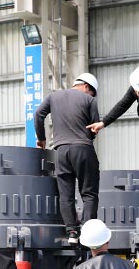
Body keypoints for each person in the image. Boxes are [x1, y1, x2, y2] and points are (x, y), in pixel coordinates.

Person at [35, 73, 101, 244]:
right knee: (89, 193)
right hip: (83, 149)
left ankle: (72, 232)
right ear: (86, 86)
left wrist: (41, 139)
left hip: (61, 151)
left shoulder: (53, 97)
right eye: (92, 91)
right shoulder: (90, 100)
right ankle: (87, 232)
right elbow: (94, 129)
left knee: (66, 194)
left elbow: (38, 114)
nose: (91, 95)